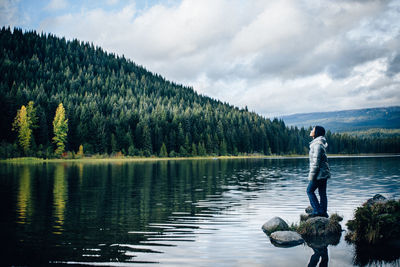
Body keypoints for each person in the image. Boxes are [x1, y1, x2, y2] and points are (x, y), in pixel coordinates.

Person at [307, 126, 330, 218]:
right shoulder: (319, 143)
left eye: (313, 129)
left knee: (309, 191)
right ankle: (323, 212)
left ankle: (317, 211)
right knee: (322, 193)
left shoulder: (317, 144)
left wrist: (312, 176)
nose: (311, 131)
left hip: (319, 174)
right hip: (323, 173)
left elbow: (316, 162)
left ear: (316, 132)